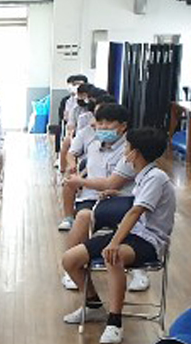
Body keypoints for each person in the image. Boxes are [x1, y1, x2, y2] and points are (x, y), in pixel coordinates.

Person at [61, 127, 173, 344]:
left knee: (113, 257)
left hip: (149, 241)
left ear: (135, 153)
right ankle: (93, 305)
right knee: (70, 260)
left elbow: (135, 212)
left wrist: (114, 242)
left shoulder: (156, 178)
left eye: (127, 147)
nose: (124, 151)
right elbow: (137, 202)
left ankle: (114, 322)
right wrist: (119, 194)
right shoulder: (144, 176)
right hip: (130, 234)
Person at [56, 103, 148, 294]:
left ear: (122, 126)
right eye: (100, 123)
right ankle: (73, 269)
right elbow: (76, 158)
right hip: (91, 196)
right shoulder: (93, 144)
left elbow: (112, 184)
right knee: (83, 215)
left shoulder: (130, 150)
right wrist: (76, 175)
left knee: (86, 216)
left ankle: (138, 269)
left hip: (121, 198)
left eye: (109, 123)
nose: (103, 127)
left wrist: (80, 181)